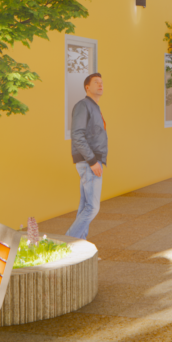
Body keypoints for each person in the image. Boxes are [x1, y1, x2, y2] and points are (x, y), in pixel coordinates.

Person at [68, 72, 107, 241]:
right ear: (87, 87)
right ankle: (67, 243)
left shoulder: (94, 107)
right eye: (96, 82)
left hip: (91, 161)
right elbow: (77, 135)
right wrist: (92, 161)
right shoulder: (83, 105)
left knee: (85, 206)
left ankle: (79, 247)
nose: (100, 85)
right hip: (89, 162)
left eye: (101, 82)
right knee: (92, 208)